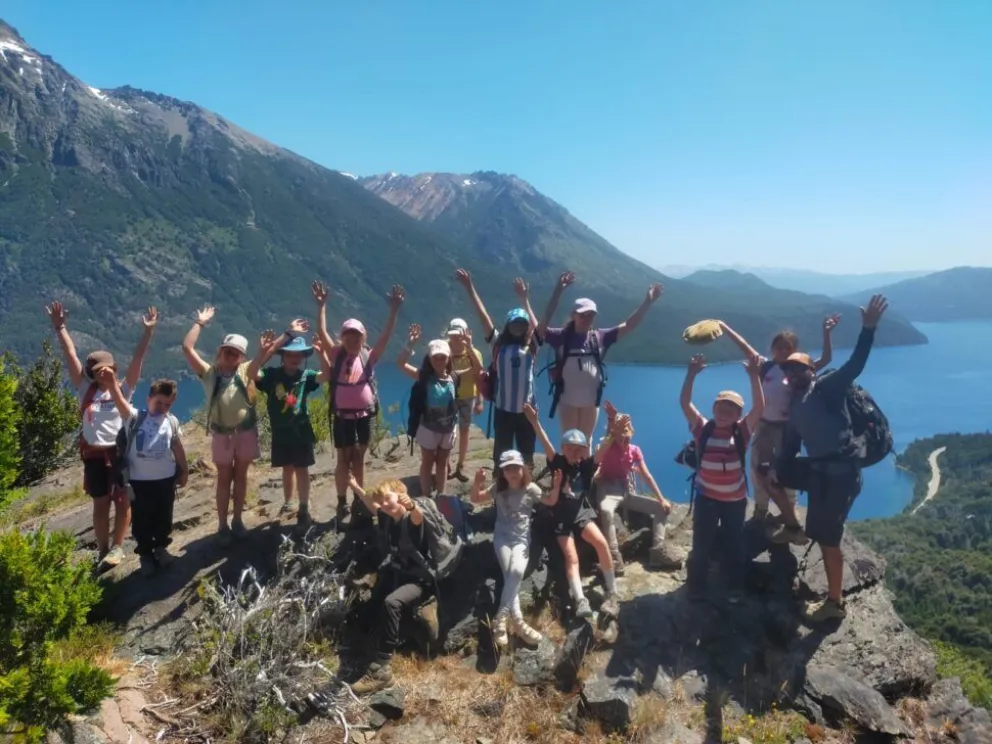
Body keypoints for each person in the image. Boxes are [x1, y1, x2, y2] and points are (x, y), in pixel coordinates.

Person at [775, 295, 889, 623]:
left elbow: (855, 364)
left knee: (827, 538)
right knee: (774, 479)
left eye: (799, 368)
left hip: (841, 474)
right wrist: (775, 471)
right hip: (821, 473)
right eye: (787, 369)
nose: (793, 373)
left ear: (812, 370)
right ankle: (797, 530)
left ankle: (835, 603)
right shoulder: (795, 408)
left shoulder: (828, 387)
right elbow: (790, 448)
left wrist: (867, 329)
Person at [46, 301, 157, 569]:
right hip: (94, 454)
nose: (105, 373)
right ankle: (103, 550)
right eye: (99, 371)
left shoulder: (123, 389)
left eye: (109, 369)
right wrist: (60, 327)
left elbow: (138, 359)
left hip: (118, 453)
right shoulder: (84, 388)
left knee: (121, 501)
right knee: (100, 504)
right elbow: (70, 355)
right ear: (91, 373)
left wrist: (148, 333)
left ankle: (118, 547)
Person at [714, 316, 839, 531]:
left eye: (787, 348)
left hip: (787, 429)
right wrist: (725, 328)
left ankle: (788, 510)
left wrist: (827, 333)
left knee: (785, 470)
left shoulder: (800, 369)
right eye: (779, 347)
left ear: (794, 350)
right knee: (757, 468)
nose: (782, 352)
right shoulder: (765, 367)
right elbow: (744, 346)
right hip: (762, 425)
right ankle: (761, 509)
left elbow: (826, 359)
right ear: (773, 349)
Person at [183, 306, 289, 544]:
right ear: (221, 352)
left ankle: (237, 520)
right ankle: (222, 525)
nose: (231, 356)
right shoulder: (208, 373)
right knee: (223, 478)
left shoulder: (245, 371)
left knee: (240, 477)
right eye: (227, 352)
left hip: (245, 432)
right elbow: (187, 348)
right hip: (222, 435)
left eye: (235, 353)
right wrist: (199, 323)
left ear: (241, 356)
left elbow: (268, 352)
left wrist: (288, 335)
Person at [312, 281, 405, 519]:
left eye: (357, 336)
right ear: (342, 338)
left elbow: (386, 336)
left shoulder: (369, 357)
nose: (353, 340)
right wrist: (321, 306)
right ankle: (343, 500)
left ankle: (358, 498)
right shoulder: (336, 354)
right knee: (344, 459)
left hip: (364, 416)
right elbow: (322, 333)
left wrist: (394, 311)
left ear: (363, 338)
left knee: (359, 459)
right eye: (349, 336)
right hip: (343, 417)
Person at [537, 271, 664, 439]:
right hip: (567, 401)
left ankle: (583, 466)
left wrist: (648, 302)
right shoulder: (560, 337)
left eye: (590, 315)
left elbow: (629, 325)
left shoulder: (600, 337)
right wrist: (558, 292)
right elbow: (541, 327)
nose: (586, 318)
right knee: (569, 442)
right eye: (582, 314)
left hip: (591, 403)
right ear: (573, 315)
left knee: (586, 443)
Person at [679, 352, 764, 601]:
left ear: (739, 414)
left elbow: (760, 407)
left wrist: (754, 376)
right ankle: (696, 586)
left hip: (734, 501)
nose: (725, 411)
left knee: (734, 544)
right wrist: (691, 374)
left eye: (732, 408)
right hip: (706, 498)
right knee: (701, 543)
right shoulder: (702, 428)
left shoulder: (742, 432)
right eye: (721, 406)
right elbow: (685, 403)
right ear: (714, 408)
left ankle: (735, 586)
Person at [523, 403, 620, 620]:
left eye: (580, 449)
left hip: (580, 513)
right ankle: (579, 598)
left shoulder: (586, 467)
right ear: (564, 448)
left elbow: (604, 447)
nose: (576, 452)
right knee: (571, 556)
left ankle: (612, 591)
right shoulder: (557, 463)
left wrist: (612, 426)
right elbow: (545, 441)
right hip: (561, 518)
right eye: (571, 448)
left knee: (602, 543)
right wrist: (534, 421)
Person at [346, 478, 439, 694]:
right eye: (383, 500)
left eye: (388, 498)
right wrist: (355, 487)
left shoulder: (411, 520)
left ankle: (382, 670)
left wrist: (412, 505)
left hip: (419, 580)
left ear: (400, 494)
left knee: (391, 603)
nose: (385, 504)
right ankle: (367, 642)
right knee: (369, 607)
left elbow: (418, 517)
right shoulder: (388, 517)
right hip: (399, 572)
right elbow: (373, 504)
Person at [100, 370, 188, 575]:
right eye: (159, 403)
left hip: (165, 480)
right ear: (149, 399)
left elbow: (177, 446)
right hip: (140, 482)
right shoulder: (134, 418)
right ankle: (145, 555)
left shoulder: (171, 422)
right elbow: (120, 402)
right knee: (142, 519)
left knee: (164, 517)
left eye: (168, 405)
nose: (163, 408)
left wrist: (183, 470)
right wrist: (112, 383)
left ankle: (161, 549)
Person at [454, 270, 539, 468]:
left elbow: (539, 326)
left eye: (522, 324)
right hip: (504, 410)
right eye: (514, 323)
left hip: (528, 412)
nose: (518, 327)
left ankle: (524, 489)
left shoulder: (532, 345)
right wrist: (469, 287)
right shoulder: (498, 345)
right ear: (508, 325)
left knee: (527, 455)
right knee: (502, 455)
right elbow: (484, 318)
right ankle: (500, 492)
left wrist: (525, 300)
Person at [252, 324, 332, 532]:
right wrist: (262, 352)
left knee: (302, 469)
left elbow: (328, 375)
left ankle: (303, 507)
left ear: (304, 357)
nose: (294, 359)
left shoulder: (307, 375)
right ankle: (288, 502)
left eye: (298, 355)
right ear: (283, 356)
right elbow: (251, 372)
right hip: (281, 433)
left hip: (301, 432)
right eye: (290, 355)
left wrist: (323, 353)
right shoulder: (271, 376)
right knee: (287, 468)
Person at [471, 450, 549, 648]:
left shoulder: (531, 488)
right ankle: (520, 625)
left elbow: (549, 501)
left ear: (523, 468)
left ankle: (501, 618)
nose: (512, 472)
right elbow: (476, 498)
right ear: (502, 472)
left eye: (516, 467)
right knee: (510, 576)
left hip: (522, 540)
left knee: (514, 573)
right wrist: (477, 482)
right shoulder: (498, 488)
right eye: (507, 469)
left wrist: (559, 486)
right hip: (502, 539)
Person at [398, 324, 482, 496]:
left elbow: (478, 369)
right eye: (435, 357)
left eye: (442, 357)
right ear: (429, 359)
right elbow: (400, 363)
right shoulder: (424, 377)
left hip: (448, 429)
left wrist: (469, 347)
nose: (439, 361)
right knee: (428, 462)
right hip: (428, 428)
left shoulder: (454, 376)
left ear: (448, 358)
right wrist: (410, 344)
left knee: (442, 462)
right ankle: (426, 495)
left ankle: (441, 496)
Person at [593, 402, 673, 574]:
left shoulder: (635, 450)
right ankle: (615, 559)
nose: (625, 440)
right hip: (608, 489)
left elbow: (647, 475)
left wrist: (661, 499)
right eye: (621, 436)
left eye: (628, 436)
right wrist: (612, 421)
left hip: (625, 490)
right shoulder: (609, 445)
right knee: (606, 511)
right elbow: (603, 447)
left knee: (660, 508)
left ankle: (658, 552)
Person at [446, 318, 484, 482]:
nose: (455, 339)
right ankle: (445, 464)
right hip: (448, 397)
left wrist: (481, 400)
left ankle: (460, 465)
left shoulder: (474, 353)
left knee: (464, 430)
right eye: (453, 336)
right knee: (447, 431)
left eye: (458, 336)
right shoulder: (445, 351)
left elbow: (479, 375)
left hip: (468, 396)